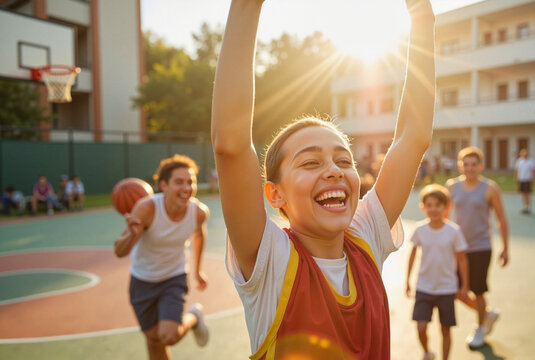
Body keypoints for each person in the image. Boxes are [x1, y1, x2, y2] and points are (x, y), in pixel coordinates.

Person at [210, 0, 435, 357]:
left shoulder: (364, 238)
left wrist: (421, 15)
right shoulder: (272, 260)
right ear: (275, 194)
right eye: (310, 163)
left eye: (343, 160)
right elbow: (230, 144)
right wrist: (247, 7)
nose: (333, 169)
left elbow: (414, 136)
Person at [114, 154, 210, 359]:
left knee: (169, 336)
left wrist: (198, 270)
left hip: (173, 277)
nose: (186, 188)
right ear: (164, 185)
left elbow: (199, 234)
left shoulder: (199, 212)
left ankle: (193, 316)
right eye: (179, 182)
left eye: (190, 182)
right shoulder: (147, 209)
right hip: (142, 280)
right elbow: (119, 251)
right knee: (153, 339)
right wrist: (131, 233)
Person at [446, 146, 509, 349]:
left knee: (478, 290)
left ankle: (480, 328)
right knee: (456, 290)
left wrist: (505, 247)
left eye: (474, 165)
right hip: (458, 247)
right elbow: (445, 216)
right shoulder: (452, 186)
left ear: (480, 166)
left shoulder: (490, 188)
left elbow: (501, 218)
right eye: (466, 164)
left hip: (481, 246)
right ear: (460, 166)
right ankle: (487, 314)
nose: (470, 168)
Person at [406, 184, 468, 360]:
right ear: (423, 207)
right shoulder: (420, 230)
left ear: (446, 207)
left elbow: (463, 260)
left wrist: (465, 285)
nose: (434, 209)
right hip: (424, 287)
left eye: (438, 205)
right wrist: (408, 281)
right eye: (429, 205)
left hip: (446, 289)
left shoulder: (454, 231)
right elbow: (412, 254)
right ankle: (427, 352)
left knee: (445, 329)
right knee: (421, 327)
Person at [514, 148, 535, 214]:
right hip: (522, 179)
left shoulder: (531, 161)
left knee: (528, 193)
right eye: (522, 153)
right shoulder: (519, 161)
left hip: (527, 179)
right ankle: (525, 207)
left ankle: (528, 207)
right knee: (523, 193)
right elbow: (517, 170)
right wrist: (516, 178)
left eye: (525, 153)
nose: (524, 154)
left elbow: (533, 171)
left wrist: (533, 179)